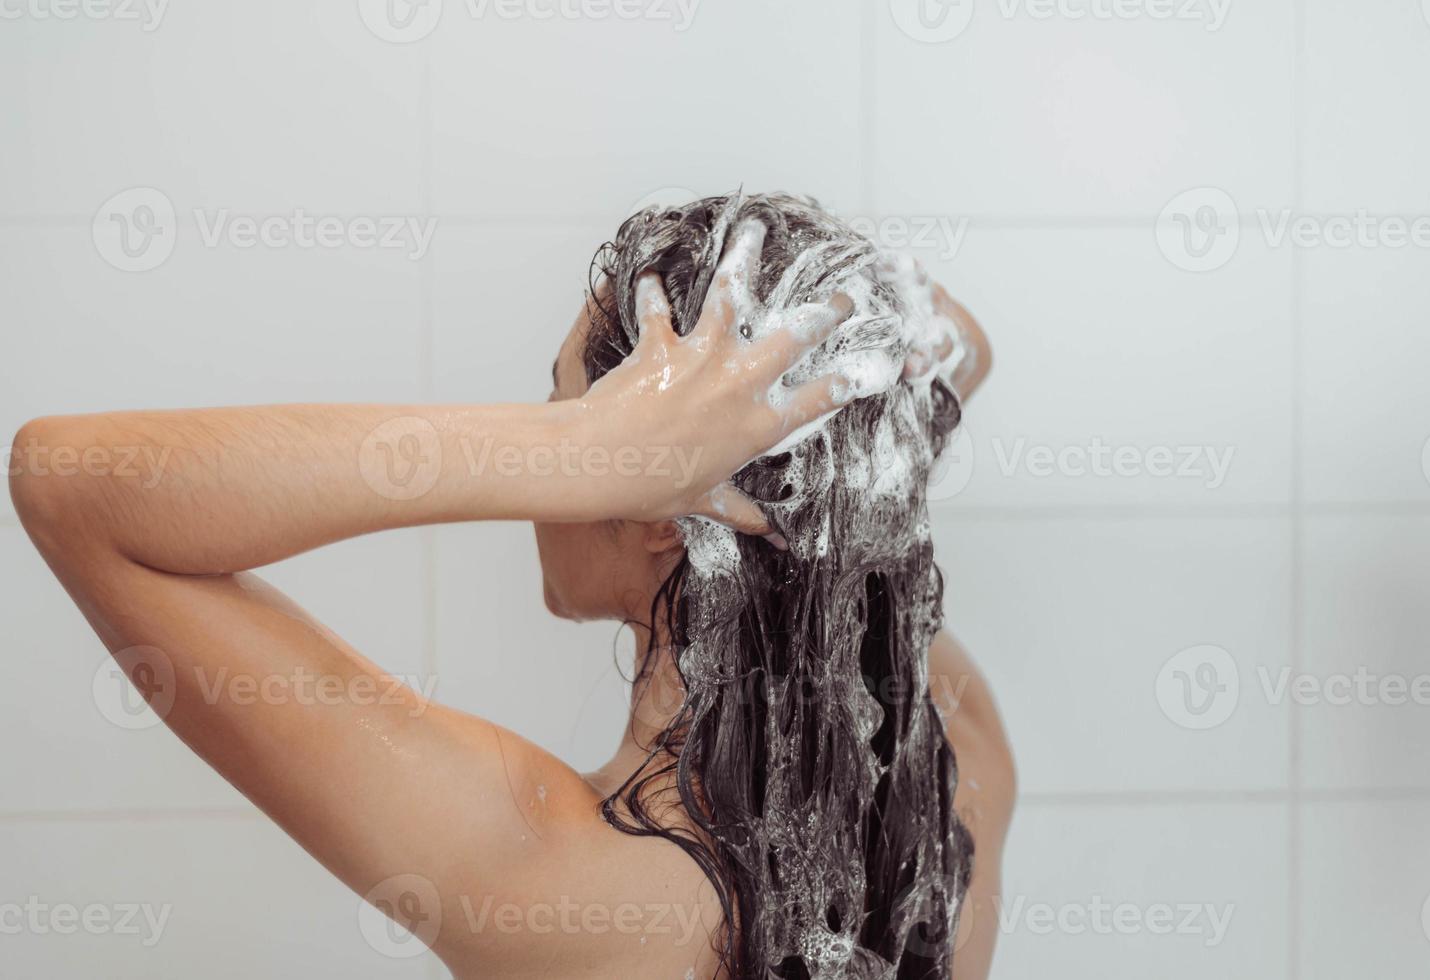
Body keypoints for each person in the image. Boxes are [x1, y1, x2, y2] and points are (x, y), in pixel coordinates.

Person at [10, 193, 1012, 979]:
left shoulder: (559, 874)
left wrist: (576, 450)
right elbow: (953, 345)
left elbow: (67, 484)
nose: (554, 446)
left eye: (559, 409)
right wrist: (828, 416)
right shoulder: (957, 777)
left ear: (659, 494)